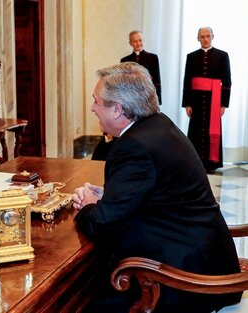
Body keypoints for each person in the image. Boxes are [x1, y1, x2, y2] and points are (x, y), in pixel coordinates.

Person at [72, 62, 240, 312]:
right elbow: (160, 191)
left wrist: (88, 206)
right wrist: (110, 196)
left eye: (96, 101)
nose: (92, 108)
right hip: (204, 253)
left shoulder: (133, 146)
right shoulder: (158, 125)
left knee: (81, 299)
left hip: (183, 275)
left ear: (117, 109)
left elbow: (101, 224)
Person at [182, 27, 231, 174]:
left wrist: (223, 104)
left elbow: (227, 81)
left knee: (212, 131)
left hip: (214, 100)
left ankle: (211, 164)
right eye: (202, 37)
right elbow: (187, 81)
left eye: (208, 36)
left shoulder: (222, 56)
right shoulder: (191, 57)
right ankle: (195, 162)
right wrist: (187, 103)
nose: (205, 39)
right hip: (196, 99)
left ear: (212, 37)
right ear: (198, 38)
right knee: (195, 130)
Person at [121, 30, 162, 105]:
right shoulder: (124, 60)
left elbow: (157, 81)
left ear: (143, 40)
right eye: (135, 41)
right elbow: (123, 82)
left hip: (148, 97)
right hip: (131, 98)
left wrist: (157, 101)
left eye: (140, 40)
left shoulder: (153, 58)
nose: (138, 43)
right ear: (130, 43)